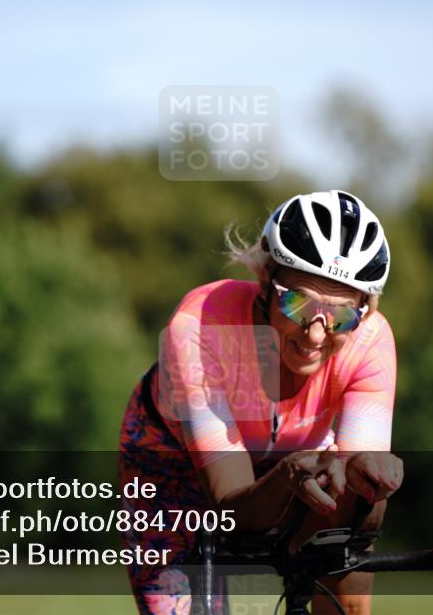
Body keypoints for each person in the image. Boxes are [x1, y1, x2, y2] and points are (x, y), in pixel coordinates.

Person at [119, 190, 403, 615]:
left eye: (342, 315)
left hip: (296, 457)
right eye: (298, 302)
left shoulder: (372, 340)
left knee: (351, 519)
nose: (315, 335)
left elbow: (353, 513)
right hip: (173, 461)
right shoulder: (199, 326)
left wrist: (370, 482)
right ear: (267, 280)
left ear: (365, 310)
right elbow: (232, 505)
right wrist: (293, 472)